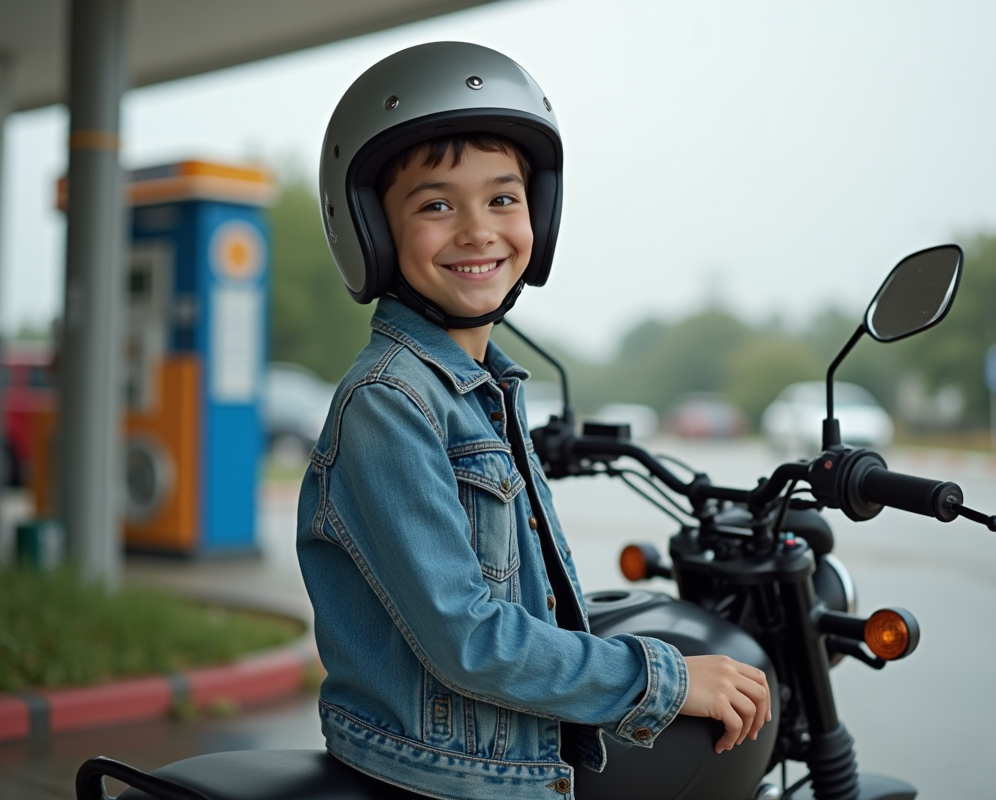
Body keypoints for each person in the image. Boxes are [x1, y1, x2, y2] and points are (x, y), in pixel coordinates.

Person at [296, 42, 770, 800]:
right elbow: (468, 639)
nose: (478, 230)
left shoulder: (484, 388)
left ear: (537, 214)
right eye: (436, 204)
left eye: (503, 199)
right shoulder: (391, 402)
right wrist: (664, 677)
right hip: (445, 778)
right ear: (371, 230)